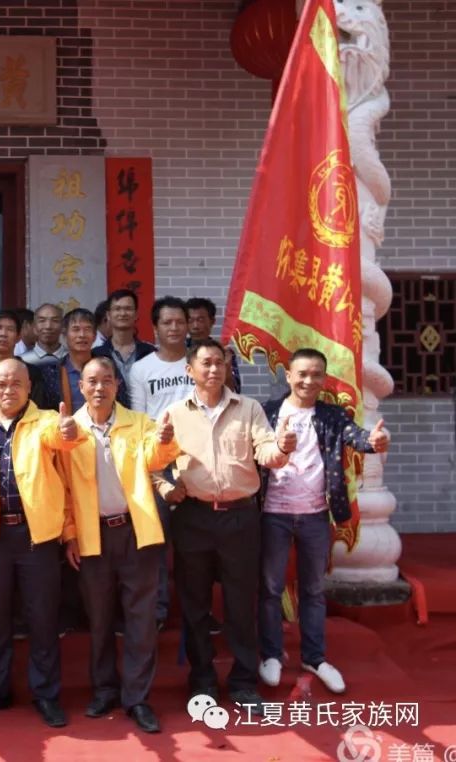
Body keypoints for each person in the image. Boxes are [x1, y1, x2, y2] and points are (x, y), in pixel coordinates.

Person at [163, 339, 295, 709]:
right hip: (193, 517)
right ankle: (202, 679)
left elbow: (266, 452)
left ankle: (242, 681)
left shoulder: (248, 408)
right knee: (195, 604)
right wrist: (166, 488)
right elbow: (157, 462)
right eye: (205, 363)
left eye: (220, 362)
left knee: (240, 603)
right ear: (189, 370)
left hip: (240, 516)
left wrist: (282, 448)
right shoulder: (174, 413)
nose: (214, 369)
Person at [0, 359, 81, 727]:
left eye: (16, 383)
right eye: (1, 383)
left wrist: (69, 430)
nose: (9, 390)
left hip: (36, 536)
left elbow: (65, 447)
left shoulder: (47, 423)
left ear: (29, 387)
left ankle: (46, 694)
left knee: (42, 618)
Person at [258, 348, 390, 695]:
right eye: (301, 374)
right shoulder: (267, 412)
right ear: (288, 375)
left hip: (316, 514)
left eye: (316, 374)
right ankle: (271, 654)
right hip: (273, 514)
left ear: (323, 378)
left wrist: (374, 442)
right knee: (270, 588)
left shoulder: (331, 415)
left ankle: (314, 657)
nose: (308, 381)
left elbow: (356, 436)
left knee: (314, 590)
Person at [60, 357, 179, 733]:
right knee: (99, 617)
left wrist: (165, 440)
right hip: (92, 534)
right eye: (92, 381)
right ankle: (104, 690)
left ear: (117, 385)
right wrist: (69, 535)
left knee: (141, 619)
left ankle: (137, 698)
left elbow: (156, 457)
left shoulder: (138, 423)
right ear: (81, 386)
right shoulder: (68, 430)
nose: (99, 388)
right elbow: (62, 490)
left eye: (107, 381)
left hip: (135, 532)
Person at [128, 296, 195, 627]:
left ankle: (194, 610)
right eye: (166, 322)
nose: (173, 328)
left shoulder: (200, 364)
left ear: (188, 325)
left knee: (195, 542)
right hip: (159, 463)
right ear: (154, 327)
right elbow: (141, 420)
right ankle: (157, 611)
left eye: (179, 322)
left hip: (199, 461)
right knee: (156, 542)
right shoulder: (141, 369)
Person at [91, 289, 155, 408]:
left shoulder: (150, 353)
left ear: (136, 315)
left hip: (144, 420)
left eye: (128, 309)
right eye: (117, 309)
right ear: (108, 315)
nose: (123, 313)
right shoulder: (96, 355)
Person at [0, 310, 49, 408]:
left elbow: (38, 409)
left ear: (18, 337)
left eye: (10, 329)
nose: (3, 334)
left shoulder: (31, 372)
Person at [42, 307, 99, 414]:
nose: (82, 335)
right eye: (76, 329)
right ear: (64, 335)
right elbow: (44, 411)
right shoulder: (52, 372)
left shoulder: (107, 368)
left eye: (87, 329)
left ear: (94, 336)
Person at [186, 297, 241, 392]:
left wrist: (227, 369)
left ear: (212, 321)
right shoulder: (178, 351)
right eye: (190, 321)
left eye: (200, 320)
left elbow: (235, 391)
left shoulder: (223, 352)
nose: (195, 326)